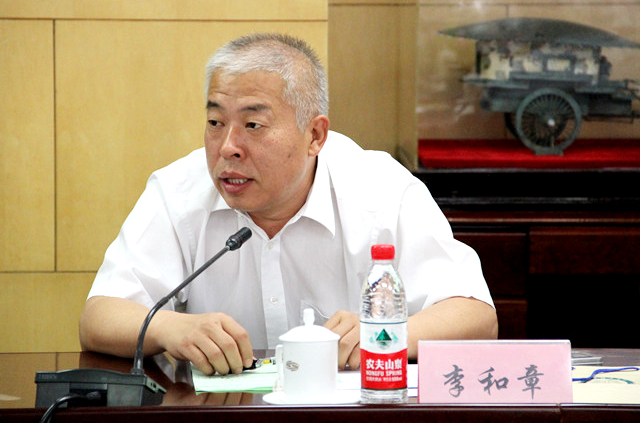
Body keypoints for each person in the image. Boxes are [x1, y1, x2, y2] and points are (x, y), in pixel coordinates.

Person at [79, 33, 498, 376]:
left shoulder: (381, 189)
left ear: (315, 136)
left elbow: (475, 315)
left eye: (253, 125)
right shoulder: (179, 191)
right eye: (215, 122)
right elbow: (99, 317)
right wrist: (170, 327)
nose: (227, 147)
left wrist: (387, 335)